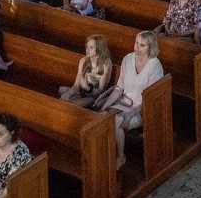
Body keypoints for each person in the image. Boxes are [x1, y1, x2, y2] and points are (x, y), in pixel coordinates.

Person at [100, 31, 164, 170]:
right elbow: (119, 88)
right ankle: (105, 156)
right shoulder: (128, 59)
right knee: (102, 117)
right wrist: (105, 106)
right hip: (124, 102)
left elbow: (151, 97)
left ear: (150, 47)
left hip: (143, 108)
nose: (137, 47)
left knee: (117, 122)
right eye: (136, 43)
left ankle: (121, 156)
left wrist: (130, 114)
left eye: (142, 45)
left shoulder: (155, 65)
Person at [59, 34, 113, 107]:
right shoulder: (83, 60)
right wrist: (68, 95)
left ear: (99, 49)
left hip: (95, 96)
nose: (87, 49)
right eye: (87, 46)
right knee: (62, 93)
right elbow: (76, 85)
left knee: (72, 105)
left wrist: (87, 87)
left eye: (91, 47)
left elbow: (100, 91)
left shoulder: (105, 64)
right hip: (83, 91)